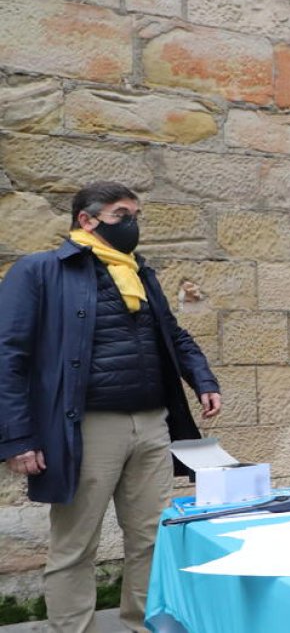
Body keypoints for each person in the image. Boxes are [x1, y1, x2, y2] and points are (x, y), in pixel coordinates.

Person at [0, 182, 222, 633]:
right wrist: (18, 437)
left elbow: (173, 335)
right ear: (87, 219)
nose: (133, 224)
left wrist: (202, 378)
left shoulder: (141, 273)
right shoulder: (40, 271)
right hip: (84, 428)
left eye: (136, 215)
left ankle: (144, 625)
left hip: (152, 423)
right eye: (123, 215)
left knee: (153, 538)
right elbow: (9, 354)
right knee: (76, 544)